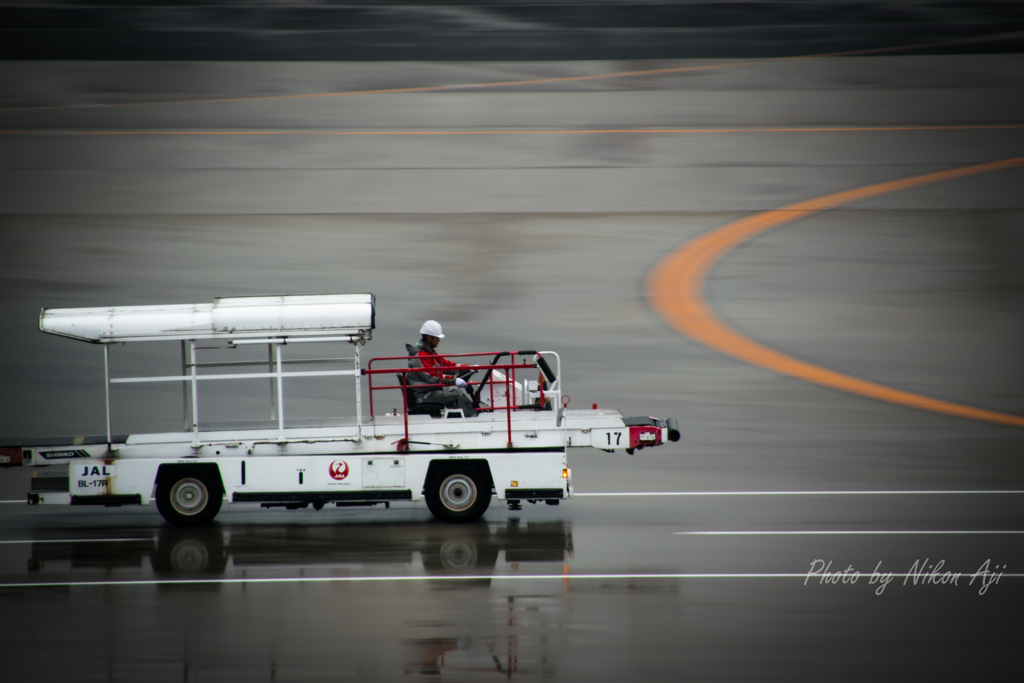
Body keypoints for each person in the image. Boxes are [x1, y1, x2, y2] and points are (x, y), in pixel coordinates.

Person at [406, 320, 478, 417]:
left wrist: (468, 368)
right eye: (437, 338)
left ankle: (463, 418)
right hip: (424, 395)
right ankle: (475, 419)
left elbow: (446, 365)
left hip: (431, 391)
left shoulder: (430, 353)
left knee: (457, 393)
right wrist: (454, 380)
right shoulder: (420, 356)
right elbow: (432, 376)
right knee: (457, 396)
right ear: (429, 338)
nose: (439, 340)